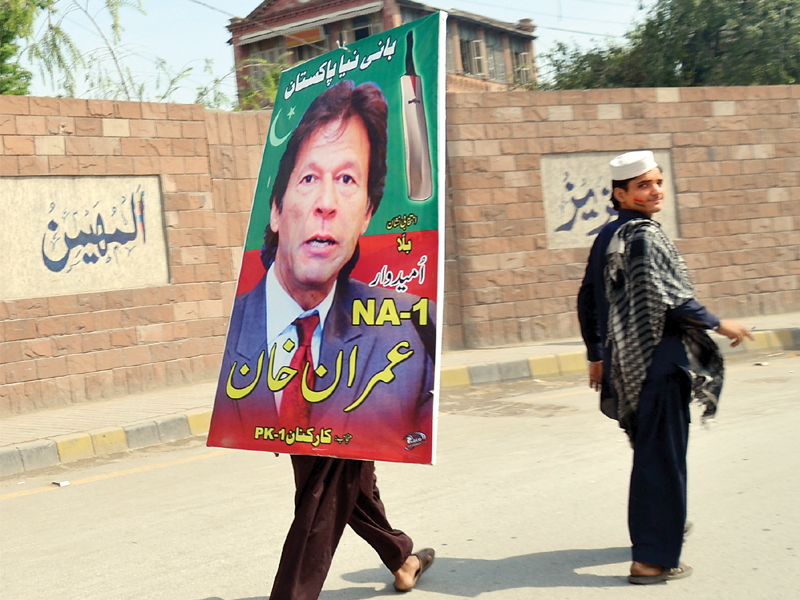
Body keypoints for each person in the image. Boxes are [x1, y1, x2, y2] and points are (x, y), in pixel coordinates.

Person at [208, 80, 435, 599]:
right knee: (335, 487)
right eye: (309, 177)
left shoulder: (401, 332)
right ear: (277, 205)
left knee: (335, 485)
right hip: (298, 403)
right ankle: (387, 561)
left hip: (348, 393)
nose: (327, 203)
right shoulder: (246, 325)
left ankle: (382, 563)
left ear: (368, 214)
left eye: (348, 179)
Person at [577, 150, 753, 585]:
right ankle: (653, 560)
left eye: (657, 182)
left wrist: (598, 354)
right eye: (643, 185)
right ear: (621, 194)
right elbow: (671, 300)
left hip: (627, 364)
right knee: (661, 459)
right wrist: (718, 323)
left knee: (654, 455)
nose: (655, 190)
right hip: (657, 362)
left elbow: (587, 299)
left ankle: (664, 527)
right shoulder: (643, 237)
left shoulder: (608, 236)